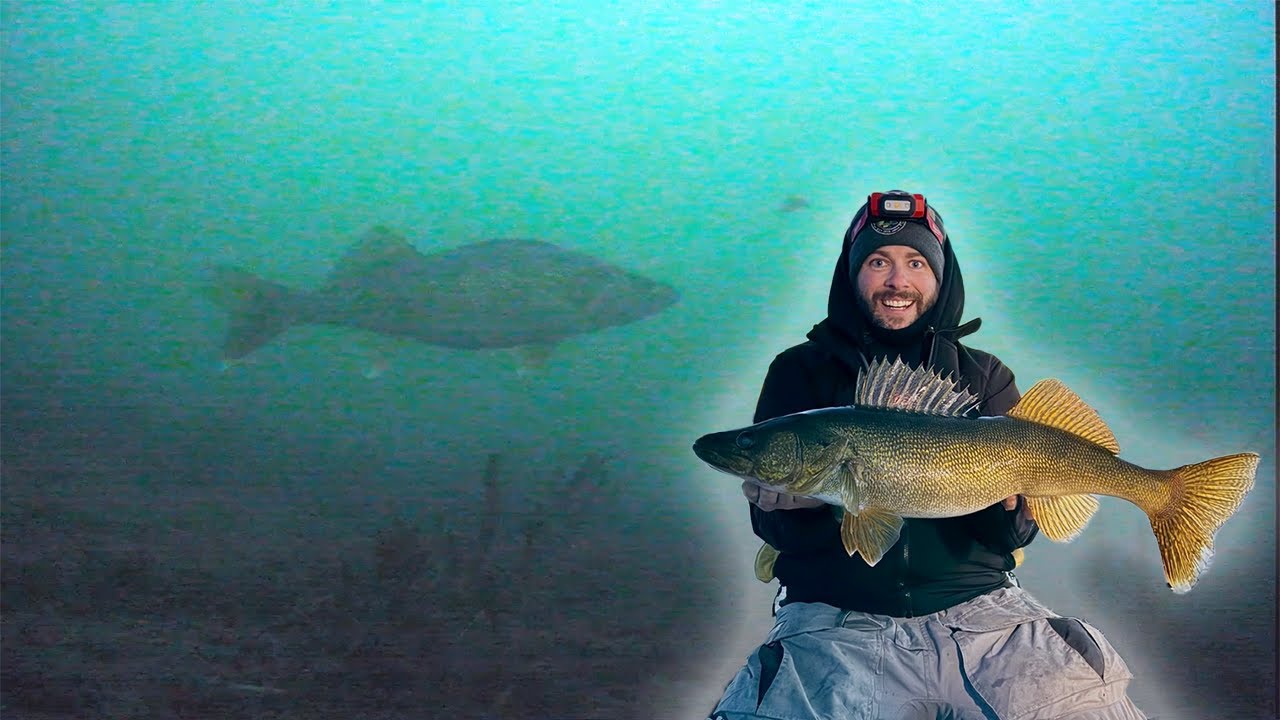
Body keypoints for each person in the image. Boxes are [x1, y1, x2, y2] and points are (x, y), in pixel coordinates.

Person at [707, 191, 1146, 720]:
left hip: (984, 612)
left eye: (916, 262)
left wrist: (1017, 510)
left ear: (940, 278)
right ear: (852, 275)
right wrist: (796, 513)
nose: (897, 280)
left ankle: (1164, 494)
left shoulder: (986, 375)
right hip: (835, 621)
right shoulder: (798, 372)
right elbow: (775, 532)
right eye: (877, 262)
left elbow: (1007, 538)